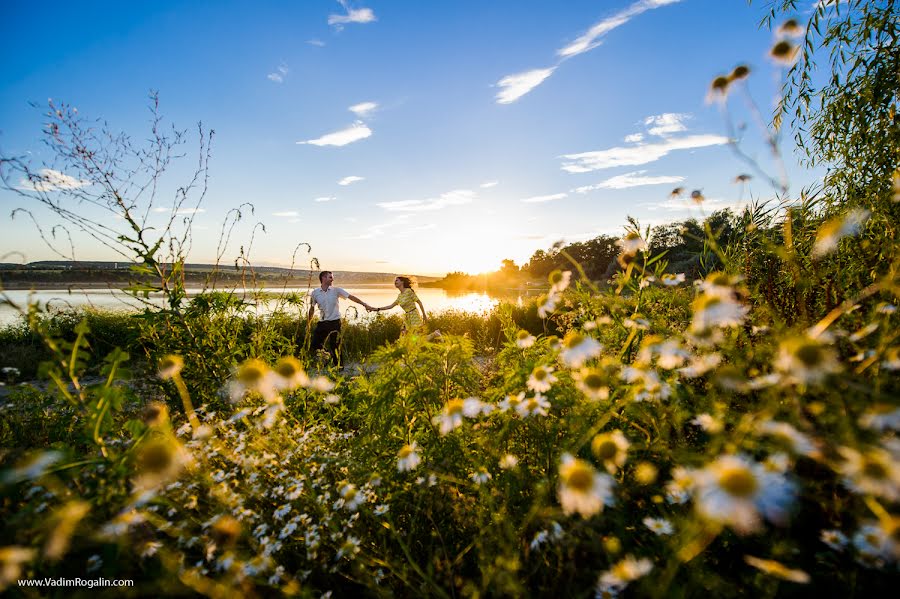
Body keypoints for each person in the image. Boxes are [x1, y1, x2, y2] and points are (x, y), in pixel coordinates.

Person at [307, 271, 372, 365]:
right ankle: (328, 355)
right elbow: (312, 308)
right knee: (315, 344)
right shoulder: (315, 293)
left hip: (335, 322)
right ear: (323, 278)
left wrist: (365, 304)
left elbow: (351, 297)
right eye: (330, 277)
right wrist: (308, 323)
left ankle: (339, 367)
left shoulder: (336, 290)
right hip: (322, 323)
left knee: (335, 346)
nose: (332, 279)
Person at [370, 276, 435, 336]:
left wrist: (424, 315)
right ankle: (435, 334)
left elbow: (419, 302)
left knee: (417, 337)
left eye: (397, 280)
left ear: (402, 282)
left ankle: (435, 334)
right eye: (395, 281)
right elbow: (390, 306)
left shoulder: (408, 291)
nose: (395, 282)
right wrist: (376, 309)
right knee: (404, 336)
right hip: (407, 317)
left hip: (414, 315)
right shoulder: (400, 296)